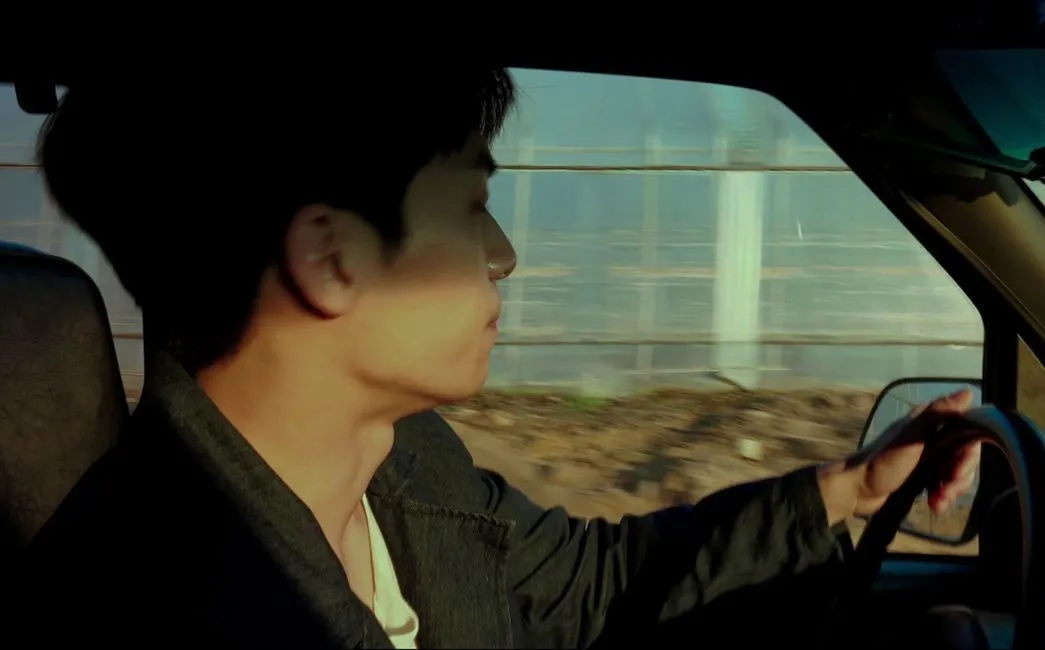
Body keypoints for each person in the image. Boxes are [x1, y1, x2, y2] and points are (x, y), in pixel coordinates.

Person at [20, 67, 979, 648]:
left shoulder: (403, 464)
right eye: (471, 206)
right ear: (332, 259)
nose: (504, 255)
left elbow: (586, 591)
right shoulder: (158, 604)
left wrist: (847, 489)